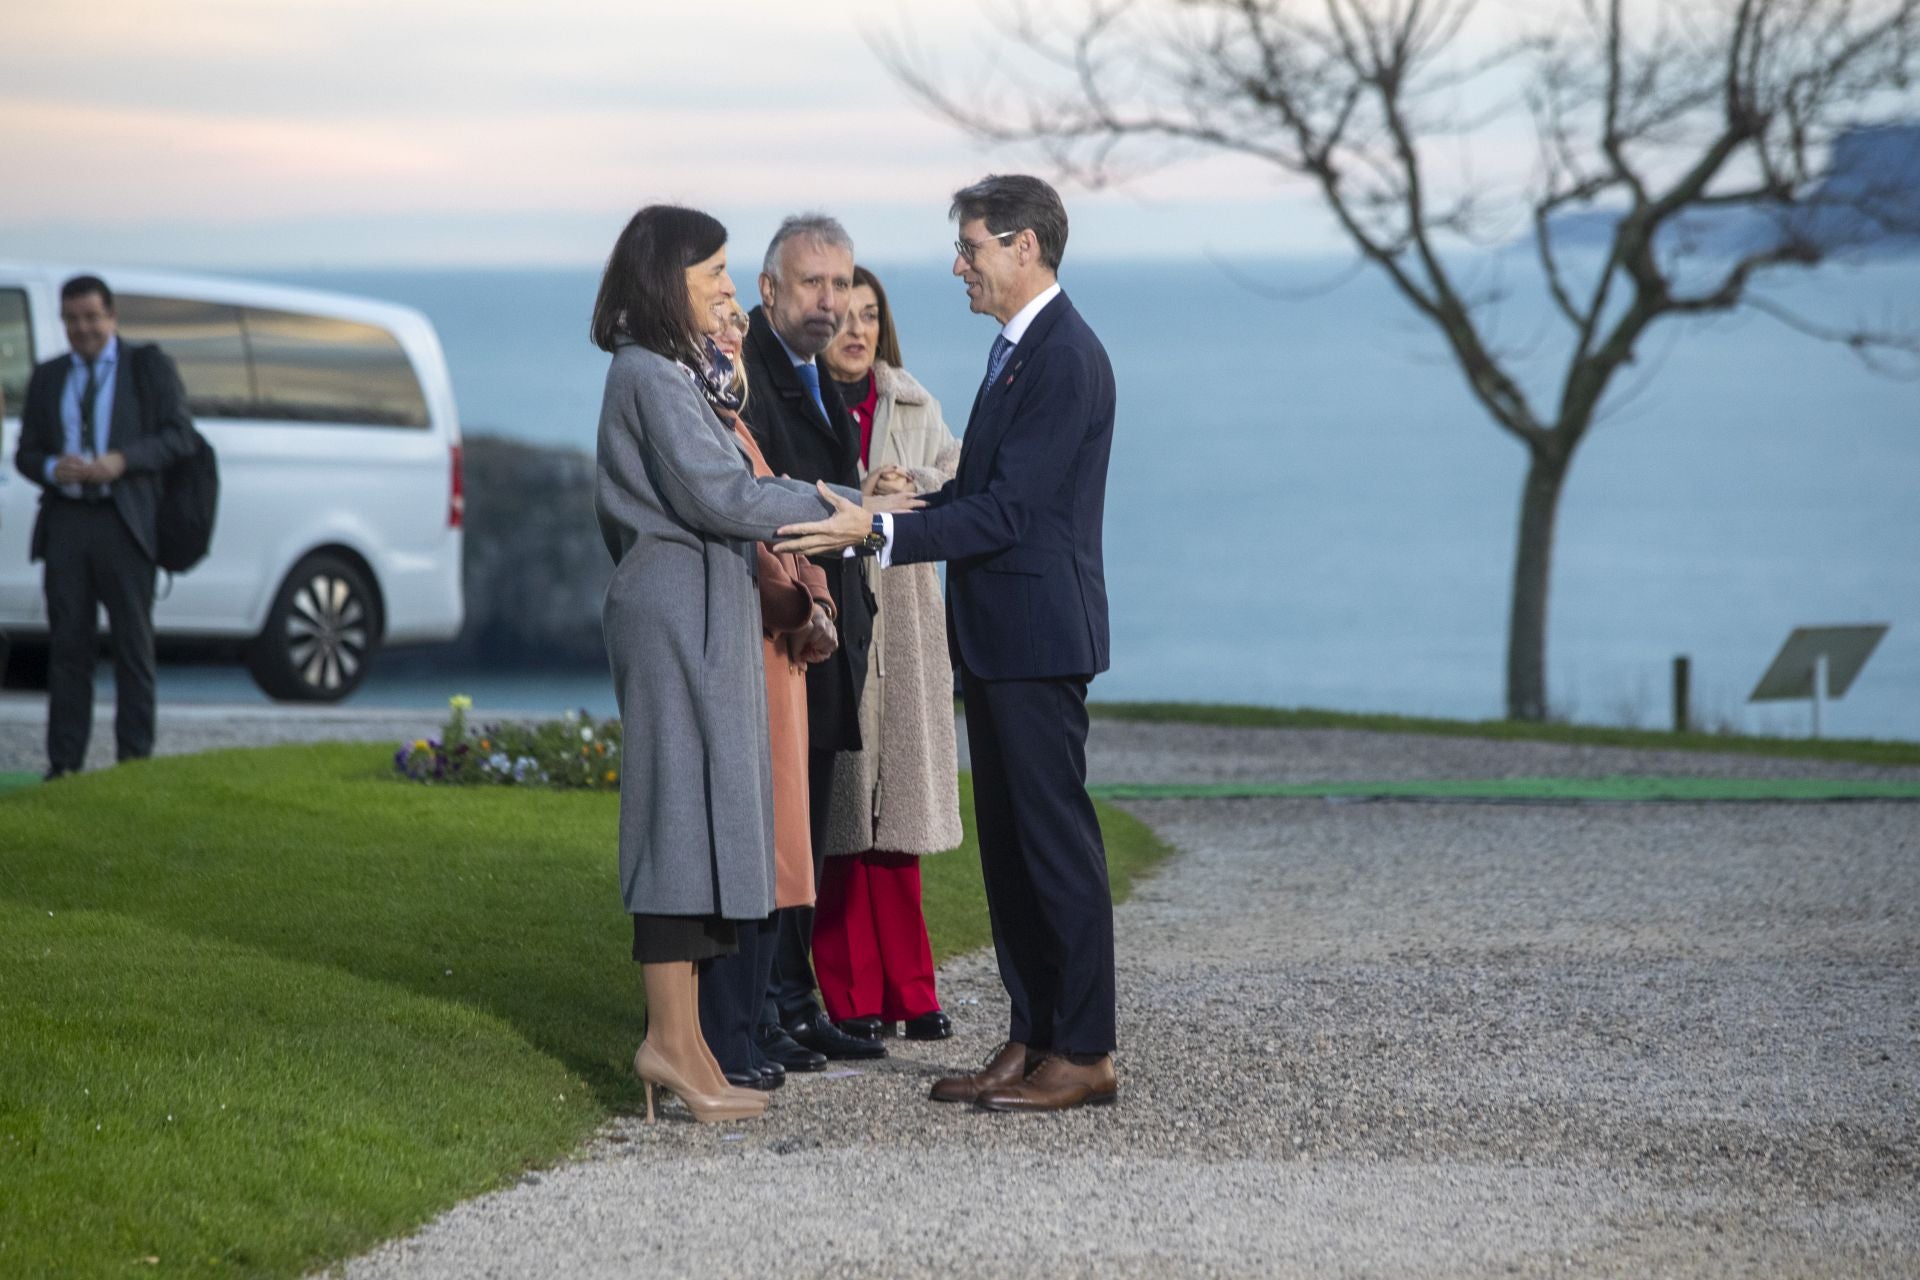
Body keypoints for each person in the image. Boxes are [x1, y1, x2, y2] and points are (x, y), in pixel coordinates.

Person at [777, 175, 1120, 1114]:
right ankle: (1035, 1031)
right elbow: (976, 493)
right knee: (1010, 853)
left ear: (1024, 247)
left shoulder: (1063, 357)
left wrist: (877, 536)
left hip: (1040, 639)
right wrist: (889, 506)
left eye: (971, 247)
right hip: (1003, 638)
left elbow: (1012, 513)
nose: (959, 264)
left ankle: (1085, 1050)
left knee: (1055, 848)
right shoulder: (1017, 351)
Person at [590, 204, 910, 1123]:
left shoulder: (675, 372)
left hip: (704, 608)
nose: (731, 290)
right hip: (674, 613)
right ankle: (670, 1045)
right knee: (677, 822)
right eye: (715, 276)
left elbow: (722, 491)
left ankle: (685, 1048)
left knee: (700, 820)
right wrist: (850, 505)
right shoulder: (650, 374)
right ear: (667, 284)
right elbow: (718, 491)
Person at [736, 214, 886, 1067]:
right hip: (788, 633)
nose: (831, 302)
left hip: (828, 632)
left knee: (810, 832)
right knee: (777, 833)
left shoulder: (813, 371)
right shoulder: (751, 376)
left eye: (842, 283)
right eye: (812, 284)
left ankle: (795, 1002)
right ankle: (762, 1011)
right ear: (769, 290)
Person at [813, 266, 964, 1043]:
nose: (858, 331)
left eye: (870, 316)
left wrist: (925, 483)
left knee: (897, 822)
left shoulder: (913, 400)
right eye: (843, 316)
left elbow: (961, 471)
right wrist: (861, 493)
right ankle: (849, 996)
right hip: (839, 624)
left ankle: (914, 990)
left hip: (904, 629)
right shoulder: (804, 405)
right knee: (842, 820)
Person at [696, 301, 838, 1090]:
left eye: (736, 325)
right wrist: (799, 606)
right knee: (756, 838)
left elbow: (781, 506)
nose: (735, 334)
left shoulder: (733, 417)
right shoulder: (708, 420)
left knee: (779, 840)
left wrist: (817, 599)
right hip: (753, 648)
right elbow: (743, 527)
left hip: (782, 654)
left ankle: (757, 1022)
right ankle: (737, 1030)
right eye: (721, 321)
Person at [13, 276, 198, 781]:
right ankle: (65, 764)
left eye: (91, 317)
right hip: (67, 524)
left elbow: (181, 437)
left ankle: (133, 766)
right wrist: (53, 468)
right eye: (72, 319)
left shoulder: (147, 367)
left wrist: (123, 460)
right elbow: (25, 452)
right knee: (68, 650)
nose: (82, 328)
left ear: (111, 317)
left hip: (125, 522)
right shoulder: (50, 377)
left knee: (134, 650)